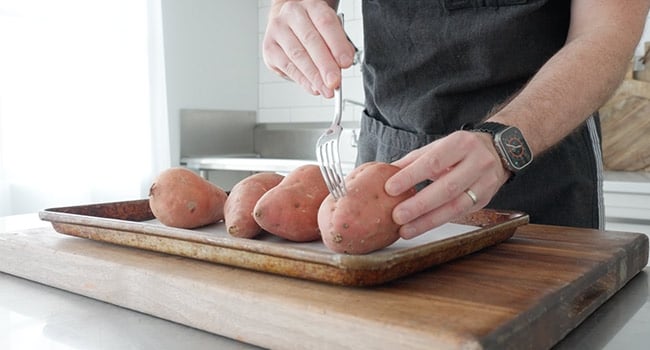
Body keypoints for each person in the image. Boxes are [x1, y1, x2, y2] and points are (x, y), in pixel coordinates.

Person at [262, 0, 650, 239]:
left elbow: (606, 32)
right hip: (390, 159)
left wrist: (502, 144)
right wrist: (288, 10)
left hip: (537, 158)